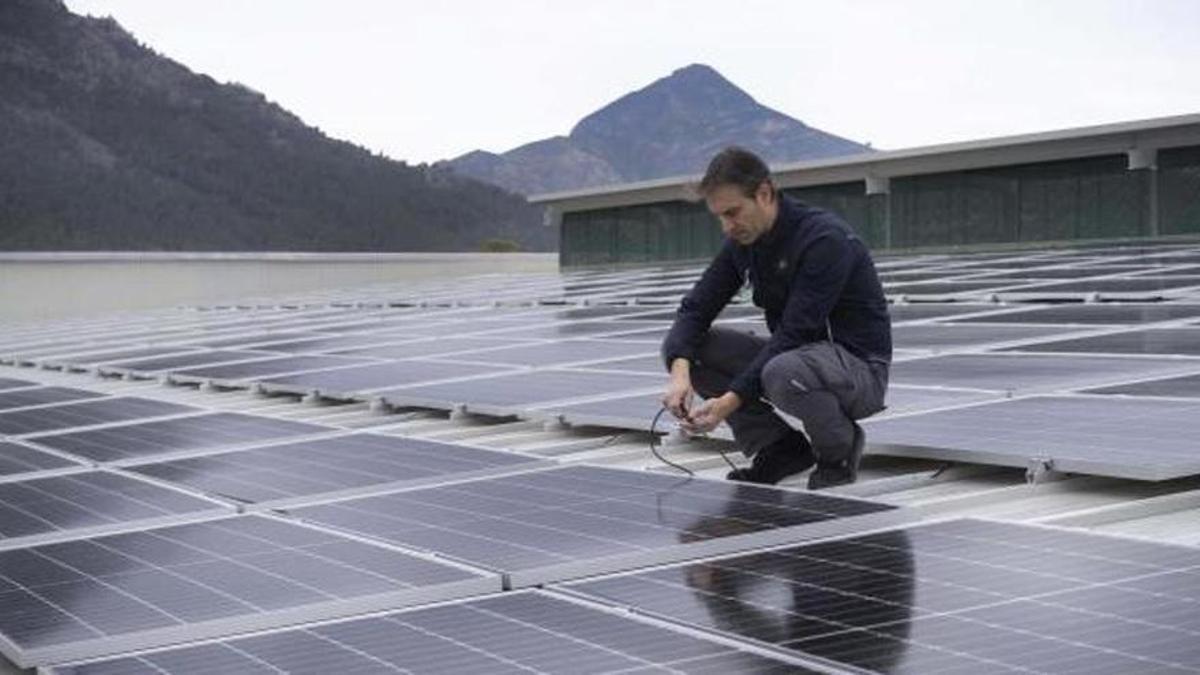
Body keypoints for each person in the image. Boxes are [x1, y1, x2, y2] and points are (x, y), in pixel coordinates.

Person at [661, 146, 891, 488]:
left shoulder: (824, 240)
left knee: (781, 370)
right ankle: (780, 448)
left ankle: (838, 448)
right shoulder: (745, 242)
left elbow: (796, 332)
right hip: (798, 360)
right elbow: (696, 308)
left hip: (858, 370)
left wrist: (728, 401)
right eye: (720, 216)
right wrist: (679, 373)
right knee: (697, 351)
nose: (727, 226)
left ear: (765, 193)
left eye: (733, 212)